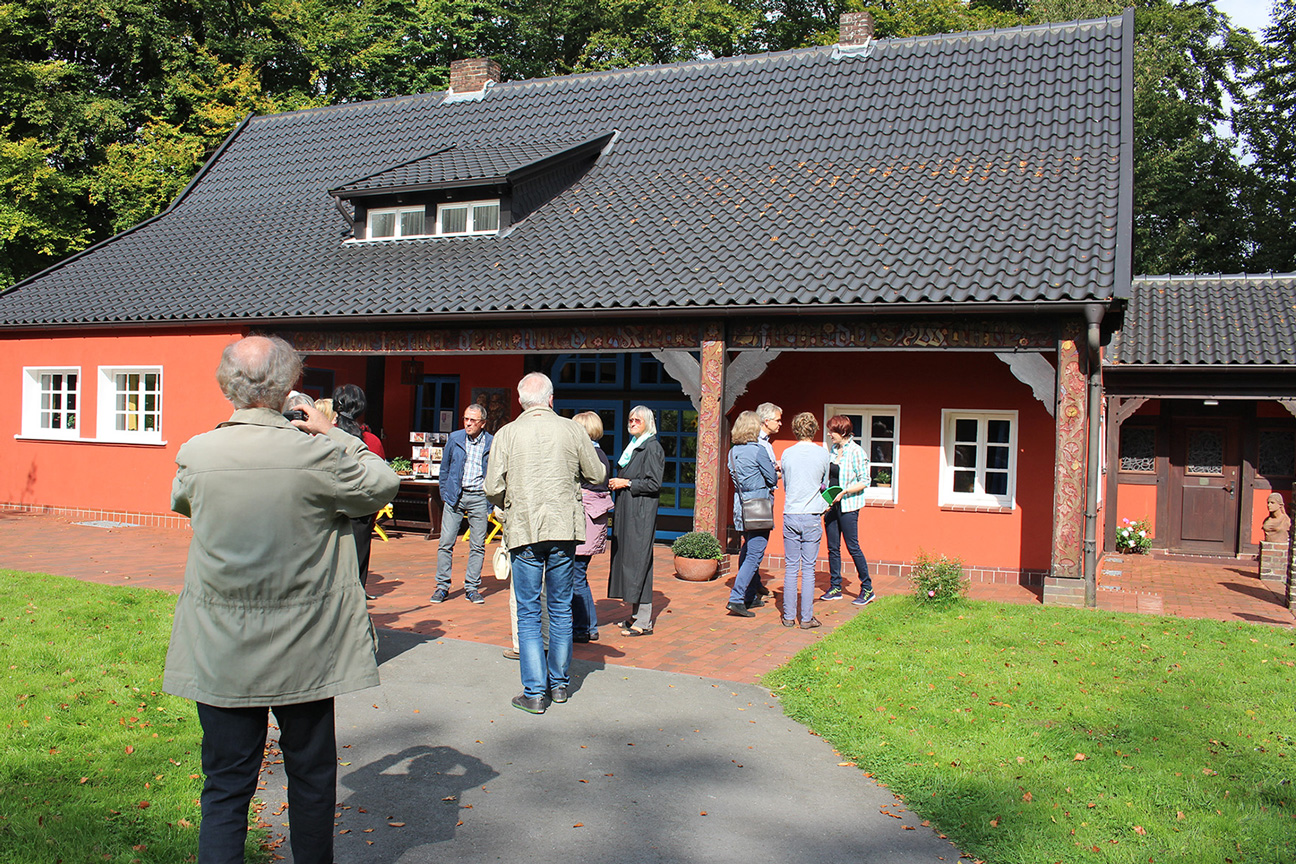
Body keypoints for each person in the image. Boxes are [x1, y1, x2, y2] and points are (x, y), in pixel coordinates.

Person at [163, 335, 399, 864]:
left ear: (227, 385)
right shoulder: (316, 453)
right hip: (306, 647)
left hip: (222, 646)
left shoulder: (198, 452)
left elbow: (183, 500)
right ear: (291, 387)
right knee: (311, 781)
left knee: (224, 788)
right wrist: (335, 433)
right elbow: (382, 484)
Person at [485, 372, 605, 714]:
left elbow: (492, 486)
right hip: (563, 528)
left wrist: (512, 499)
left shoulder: (507, 433)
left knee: (527, 611)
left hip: (524, 529)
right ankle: (560, 685)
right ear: (551, 399)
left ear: (521, 401)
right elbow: (597, 475)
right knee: (560, 607)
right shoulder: (571, 430)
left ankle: (535, 692)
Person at [607, 406, 666, 636]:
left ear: (648, 422)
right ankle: (634, 615)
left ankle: (644, 620)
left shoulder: (652, 447)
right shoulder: (634, 445)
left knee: (639, 562)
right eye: (630, 419)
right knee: (628, 561)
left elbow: (653, 484)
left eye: (637, 420)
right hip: (628, 511)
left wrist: (626, 483)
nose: (632, 423)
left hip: (640, 513)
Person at [430, 402, 493, 605]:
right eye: (466, 419)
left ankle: (472, 587)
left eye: (472, 420)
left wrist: (491, 501)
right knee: (446, 542)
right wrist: (445, 492)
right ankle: (442, 586)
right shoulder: (455, 438)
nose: (468, 423)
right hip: (455, 495)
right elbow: (445, 468)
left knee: (477, 545)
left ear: (482, 423)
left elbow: (495, 472)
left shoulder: (492, 443)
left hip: (479, 497)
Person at [333, 384, 386, 599]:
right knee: (358, 566)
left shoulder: (325, 437)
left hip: (331, 508)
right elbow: (380, 478)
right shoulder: (371, 441)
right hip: (361, 512)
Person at [780, 411, 830, 629]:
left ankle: (788, 616)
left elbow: (786, 485)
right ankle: (807, 618)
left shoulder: (787, 454)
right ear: (814, 429)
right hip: (811, 514)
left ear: (795, 430)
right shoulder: (822, 454)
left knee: (791, 567)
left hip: (791, 512)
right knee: (808, 568)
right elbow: (824, 485)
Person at [725, 410, 778, 617]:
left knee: (747, 549)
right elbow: (772, 479)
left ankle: (748, 597)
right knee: (755, 551)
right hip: (759, 506)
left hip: (741, 505)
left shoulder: (732, 452)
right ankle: (737, 599)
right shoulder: (758, 450)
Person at [822, 414, 876, 607]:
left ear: (842, 431)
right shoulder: (833, 450)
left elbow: (865, 481)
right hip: (831, 506)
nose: (829, 434)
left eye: (832, 431)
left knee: (852, 546)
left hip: (849, 506)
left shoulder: (856, 452)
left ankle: (867, 588)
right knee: (832, 548)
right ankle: (835, 586)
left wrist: (844, 491)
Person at [572, 411, 613, 642]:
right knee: (578, 574)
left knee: (577, 574)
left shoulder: (591, 455)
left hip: (586, 521)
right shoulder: (598, 453)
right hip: (592, 520)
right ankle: (585, 625)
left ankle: (584, 627)